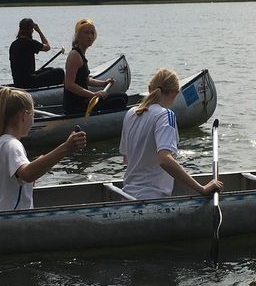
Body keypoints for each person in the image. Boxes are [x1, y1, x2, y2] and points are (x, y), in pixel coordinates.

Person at [120, 68, 223, 199]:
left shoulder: (131, 113)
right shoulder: (165, 115)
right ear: (175, 94)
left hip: (127, 195)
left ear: (149, 89)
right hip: (152, 197)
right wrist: (201, 189)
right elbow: (164, 159)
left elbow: (127, 159)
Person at [0, 87, 85, 212]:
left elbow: (15, 181)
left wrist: (40, 164)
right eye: (33, 115)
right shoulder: (11, 144)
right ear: (24, 116)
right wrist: (66, 147)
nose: (33, 121)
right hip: (13, 220)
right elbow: (28, 174)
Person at [62, 18, 125, 116]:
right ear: (78, 35)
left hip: (83, 102)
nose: (90, 36)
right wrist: (94, 94)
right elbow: (69, 84)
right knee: (122, 98)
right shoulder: (74, 55)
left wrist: (104, 83)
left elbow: (87, 80)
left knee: (120, 98)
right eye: (86, 33)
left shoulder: (81, 54)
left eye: (92, 33)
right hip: (76, 106)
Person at [9, 17, 63, 89]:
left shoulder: (13, 44)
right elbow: (47, 47)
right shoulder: (30, 43)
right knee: (60, 72)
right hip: (29, 83)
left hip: (18, 82)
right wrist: (39, 31)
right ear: (31, 30)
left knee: (50, 69)